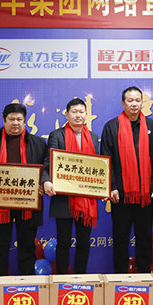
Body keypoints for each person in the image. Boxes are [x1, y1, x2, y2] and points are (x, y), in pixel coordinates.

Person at [0, 103, 48, 276]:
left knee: (27, 246)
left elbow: (46, 170)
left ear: (24, 121)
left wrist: (43, 184)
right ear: (4, 120)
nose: (15, 123)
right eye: (11, 119)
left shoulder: (38, 143)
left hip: (28, 204)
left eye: (19, 119)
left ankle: (27, 284)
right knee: (0, 247)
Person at [101, 87, 153, 274]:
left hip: (145, 194)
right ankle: (119, 276)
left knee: (144, 238)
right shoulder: (111, 127)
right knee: (120, 238)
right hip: (120, 194)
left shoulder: (152, 126)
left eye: (137, 100)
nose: (134, 104)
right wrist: (112, 187)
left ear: (142, 102)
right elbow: (107, 160)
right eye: (130, 100)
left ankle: (145, 275)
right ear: (123, 103)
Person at [43, 98, 101, 274]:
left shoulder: (93, 137)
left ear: (86, 114)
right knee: (63, 242)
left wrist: (103, 187)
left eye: (81, 111)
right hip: (64, 198)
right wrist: (46, 180)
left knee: (84, 242)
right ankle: (62, 279)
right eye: (74, 112)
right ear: (66, 114)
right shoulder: (57, 135)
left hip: (86, 199)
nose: (78, 115)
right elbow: (49, 161)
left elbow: (98, 167)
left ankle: (80, 278)